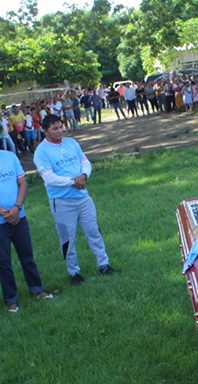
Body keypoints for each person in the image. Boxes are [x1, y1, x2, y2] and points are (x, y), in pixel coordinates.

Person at [0, 125, 53, 312]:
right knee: (4, 261)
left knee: (27, 256)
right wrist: (3, 213)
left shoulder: (10, 157)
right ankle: (11, 299)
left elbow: (22, 183)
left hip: (19, 216)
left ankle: (37, 289)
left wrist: (17, 208)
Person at [34, 115, 115, 285]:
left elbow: (85, 162)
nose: (59, 131)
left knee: (94, 231)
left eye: (60, 127)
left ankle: (104, 265)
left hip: (83, 198)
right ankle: (74, 273)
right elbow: (49, 177)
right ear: (45, 131)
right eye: (54, 128)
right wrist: (73, 181)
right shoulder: (42, 151)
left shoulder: (71, 143)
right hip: (62, 201)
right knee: (68, 238)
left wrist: (83, 176)